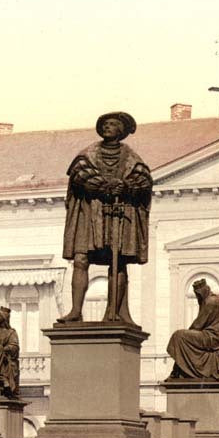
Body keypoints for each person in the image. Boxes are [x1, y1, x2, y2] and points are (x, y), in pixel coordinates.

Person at [57, 112, 152, 325]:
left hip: (119, 215)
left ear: (122, 131)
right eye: (105, 124)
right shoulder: (88, 154)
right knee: (81, 259)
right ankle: (75, 311)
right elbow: (78, 175)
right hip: (91, 214)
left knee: (117, 263)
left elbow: (144, 181)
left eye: (113, 124)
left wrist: (126, 186)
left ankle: (115, 311)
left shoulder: (132, 157)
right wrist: (99, 184)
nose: (108, 127)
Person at [166, 279, 219, 381]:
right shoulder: (213, 300)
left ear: (202, 292)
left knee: (178, 336)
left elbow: (198, 325)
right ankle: (178, 370)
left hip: (215, 339)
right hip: (217, 337)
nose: (198, 297)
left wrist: (188, 334)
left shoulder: (210, 302)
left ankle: (177, 371)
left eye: (198, 294)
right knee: (182, 338)